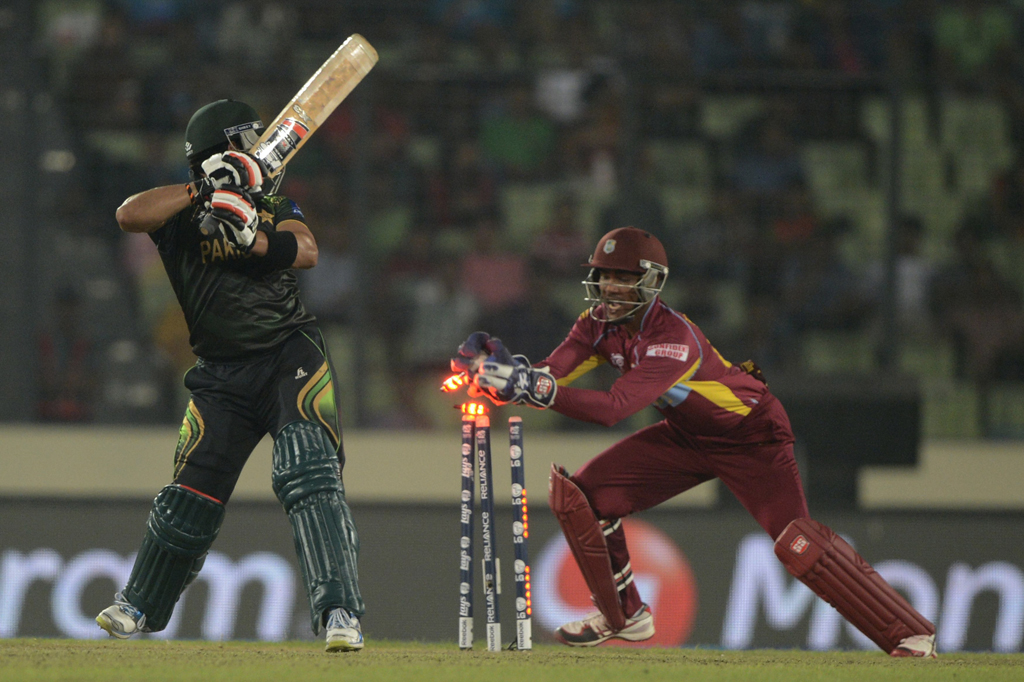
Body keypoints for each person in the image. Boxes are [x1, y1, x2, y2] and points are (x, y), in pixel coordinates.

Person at [451, 226, 937, 657]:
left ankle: (910, 633)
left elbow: (614, 409)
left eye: (624, 277)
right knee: (584, 497)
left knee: (797, 543)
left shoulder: (672, 339)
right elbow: (547, 377)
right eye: (605, 275)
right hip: (688, 435)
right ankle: (625, 617)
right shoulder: (594, 325)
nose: (612, 287)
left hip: (752, 436)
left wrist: (534, 389)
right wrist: (499, 374)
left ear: (651, 282)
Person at [94, 100, 365, 652]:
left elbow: (307, 251)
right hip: (220, 373)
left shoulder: (272, 201)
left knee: (308, 473)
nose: (263, 148)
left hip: (289, 355)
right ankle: (138, 605)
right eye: (250, 140)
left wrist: (254, 239)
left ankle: (339, 612)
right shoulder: (177, 211)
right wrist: (204, 191)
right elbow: (127, 215)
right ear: (222, 150)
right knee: (189, 495)